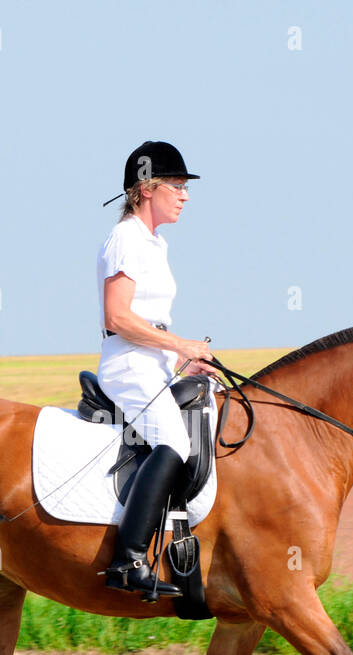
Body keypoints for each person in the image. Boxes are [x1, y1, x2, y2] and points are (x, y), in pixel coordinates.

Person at [96, 141, 219, 598]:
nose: (185, 196)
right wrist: (179, 344)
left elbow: (151, 323)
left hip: (153, 364)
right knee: (173, 442)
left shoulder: (155, 243)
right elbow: (118, 317)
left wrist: (184, 358)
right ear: (147, 189)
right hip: (129, 366)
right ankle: (127, 562)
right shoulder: (126, 239)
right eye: (178, 186)